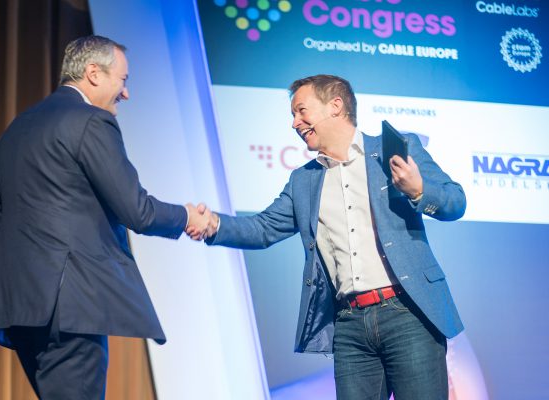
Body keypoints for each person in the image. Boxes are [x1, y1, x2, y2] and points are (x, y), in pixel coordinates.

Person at [0, 35, 212, 399]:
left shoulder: (16, 129)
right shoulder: (91, 121)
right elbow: (136, 210)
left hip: (20, 310)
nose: (125, 93)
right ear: (94, 73)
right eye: (123, 80)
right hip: (71, 308)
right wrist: (187, 216)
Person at [196, 75, 466, 399]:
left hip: (408, 313)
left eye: (300, 111)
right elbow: (263, 228)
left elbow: (455, 201)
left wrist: (419, 190)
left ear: (335, 106)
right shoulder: (303, 181)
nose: (294, 122)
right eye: (293, 115)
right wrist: (213, 224)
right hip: (350, 326)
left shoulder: (393, 149)